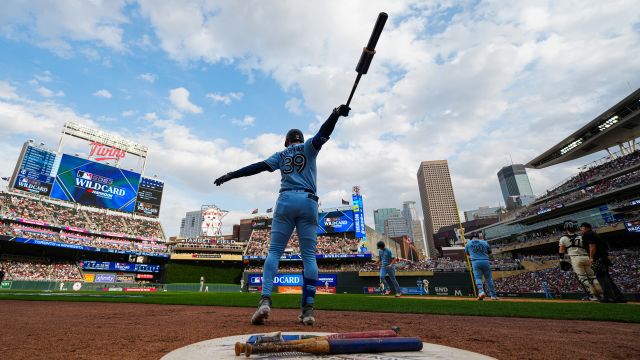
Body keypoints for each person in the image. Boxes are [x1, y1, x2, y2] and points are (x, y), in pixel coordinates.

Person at [215, 104, 350, 325]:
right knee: (309, 256)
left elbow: (257, 167)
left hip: (286, 200)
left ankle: (265, 300)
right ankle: (307, 311)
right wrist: (334, 114)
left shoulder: (281, 154)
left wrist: (231, 174)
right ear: (300, 139)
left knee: (275, 252)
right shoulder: (308, 147)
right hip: (308, 201)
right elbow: (323, 133)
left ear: (286, 142)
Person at [580, 222, 626, 303]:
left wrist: (591, 258)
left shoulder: (588, 234)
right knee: (607, 278)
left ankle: (609, 297)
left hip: (597, 258)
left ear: (586, 228)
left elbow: (592, 246)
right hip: (603, 258)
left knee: (602, 278)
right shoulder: (594, 234)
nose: (581, 230)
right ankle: (619, 297)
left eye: (581, 228)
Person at [558, 221, 602, 301]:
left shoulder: (563, 238)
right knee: (593, 276)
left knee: (583, 278)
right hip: (586, 257)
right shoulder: (581, 237)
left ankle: (593, 296)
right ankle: (601, 294)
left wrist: (561, 260)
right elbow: (588, 247)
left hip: (575, 258)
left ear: (566, 229)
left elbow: (561, 251)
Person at [464, 233, 498, 300]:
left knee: (478, 278)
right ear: (478, 237)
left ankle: (481, 292)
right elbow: (490, 252)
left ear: (471, 238)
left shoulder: (468, 243)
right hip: (485, 261)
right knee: (489, 279)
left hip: (475, 262)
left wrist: (474, 254)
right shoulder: (484, 242)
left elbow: (467, 254)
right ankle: (493, 295)